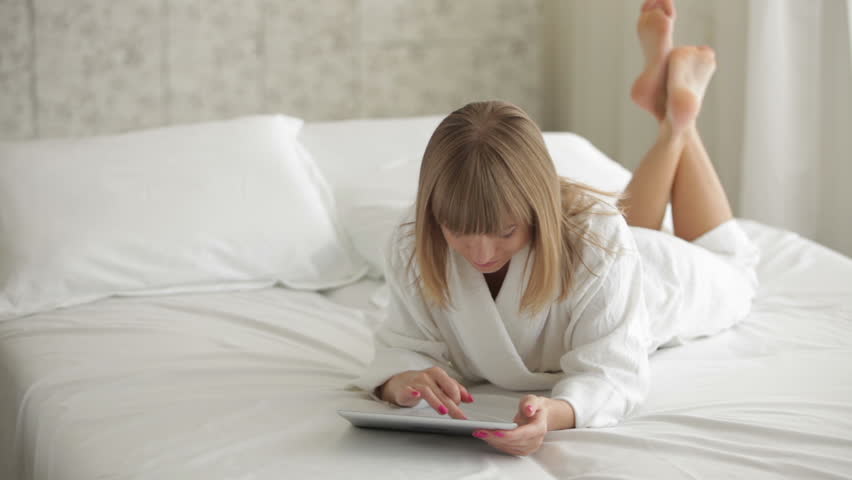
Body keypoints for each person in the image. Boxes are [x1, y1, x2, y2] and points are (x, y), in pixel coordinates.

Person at [352, 0, 759, 456]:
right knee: (627, 228)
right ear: (433, 214)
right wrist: (401, 380)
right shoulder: (413, 240)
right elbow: (403, 345)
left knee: (733, 264)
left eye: (505, 231)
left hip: (661, 279)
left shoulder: (598, 236)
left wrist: (558, 413)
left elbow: (613, 371)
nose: (481, 251)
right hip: (611, 250)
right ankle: (670, 107)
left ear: (536, 208)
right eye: (458, 230)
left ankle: (679, 123)